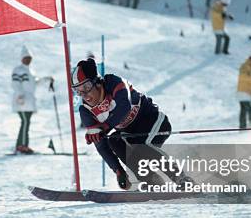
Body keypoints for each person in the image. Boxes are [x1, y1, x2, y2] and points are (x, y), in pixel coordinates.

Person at [73, 58, 181, 190]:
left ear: (97, 82)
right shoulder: (85, 111)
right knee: (114, 141)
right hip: (131, 134)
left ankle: (183, 180)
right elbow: (100, 144)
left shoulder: (114, 83)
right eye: (78, 91)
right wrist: (118, 171)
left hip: (153, 122)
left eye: (87, 87)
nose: (85, 95)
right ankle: (152, 182)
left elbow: (124, 108)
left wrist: (105, 127)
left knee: (141, 147)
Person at [11, 45, 52, 154]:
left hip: (29, 101)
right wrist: (20, 95)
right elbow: (15, 83)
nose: (28, 60)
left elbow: (36, 82)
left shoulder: (31, 71)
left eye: (30, 58)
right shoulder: (18, 70)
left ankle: (21, 145)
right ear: (22, 58)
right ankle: (22, 145)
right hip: (22, 100)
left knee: (26, 123)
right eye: (26, 58)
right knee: (25, 122)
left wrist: (46, 79)